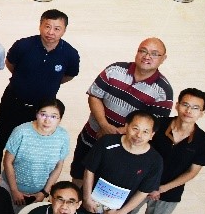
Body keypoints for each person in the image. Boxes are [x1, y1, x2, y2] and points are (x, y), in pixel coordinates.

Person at [125, 89, 205, 214]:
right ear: (177, 105)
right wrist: (147, 184)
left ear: (202, 113)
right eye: (185, 105)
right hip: (139, 184)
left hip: (169, 192)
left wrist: (162, 188)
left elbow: (192, 172)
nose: (189, 111)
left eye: (195, 108)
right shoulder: (157, 126)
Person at [72, 39, 174, 177]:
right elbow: (94, 96)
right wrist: (104, 125)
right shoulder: (115, 70)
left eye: (154, 54)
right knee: (78, 175)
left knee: (105, 182)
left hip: (124, 149)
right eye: (143, 51)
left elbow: (153, 124)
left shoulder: (163, 92)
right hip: (92, 136)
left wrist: (116, 133)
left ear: (163, 58)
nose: (147, 56)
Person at [81, 111, 164, 214]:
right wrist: (86, 199)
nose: (138, 135)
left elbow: (143, 192)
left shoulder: (155, 161)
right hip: (90, 206)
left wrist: (121, 213)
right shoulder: (107, 142)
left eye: (145, 132)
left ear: (152, 135)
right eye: (135, 128)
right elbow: (89, 170)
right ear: (126, 126)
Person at [0, 9, 79, 152]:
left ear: (64, 30)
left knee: (29, 145)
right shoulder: (23, 45)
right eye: (47, 26)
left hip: (41, 110)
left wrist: (50, 81)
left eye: (57, 29)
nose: (51, 32)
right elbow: (10, 64)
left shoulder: (70, 54)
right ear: (40, 26)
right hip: (12, 102)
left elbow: (69, 75)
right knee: (0, 138)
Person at [2, 99, 72, 206]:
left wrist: (44, 192)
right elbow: (7, 162)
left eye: (53, 117)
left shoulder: (63, 136)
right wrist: (14, 190)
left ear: (60, 119)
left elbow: (58, 166)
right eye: (43, 114)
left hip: (38, 193)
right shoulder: (21, 131)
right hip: (10, 187)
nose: (47, 121)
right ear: (36, 114)